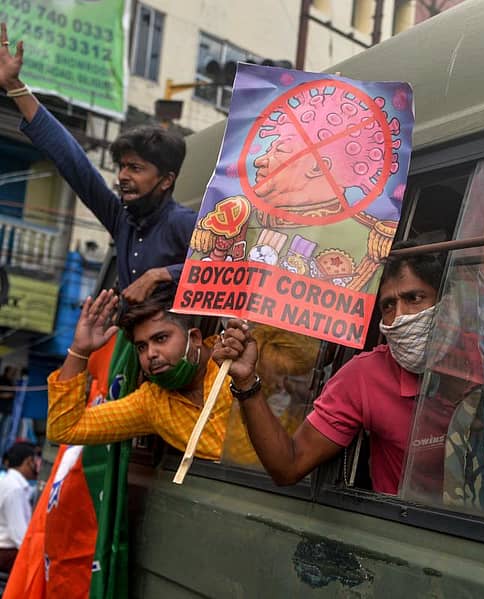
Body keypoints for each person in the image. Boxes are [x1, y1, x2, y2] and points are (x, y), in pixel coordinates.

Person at [215, 247, 443, 495]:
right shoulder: (365, 375)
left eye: (414, 299)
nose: (400, 317)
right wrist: (247, 382)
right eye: (388, 305)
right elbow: (288, 466)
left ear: (446, 301)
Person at [0, 23, 196, 303]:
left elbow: (224, 268)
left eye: (136, 168)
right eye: (123, 166)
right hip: (129, 341)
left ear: (166, 180)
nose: (123, 176)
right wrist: (14, 86)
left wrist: (160, 274)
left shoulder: (183, 223)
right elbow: (74, 163)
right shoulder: (122, 219)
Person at [46, 285, 230, 459]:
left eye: (161, 338)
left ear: (195, 338)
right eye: (141, 347)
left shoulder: (237, 363)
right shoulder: (153, 403)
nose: (150, 354)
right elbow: (64, 428)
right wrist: (80, 350)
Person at [0, 442, 39, 573]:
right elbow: (20, 536)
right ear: (29, 461)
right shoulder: (14, 489)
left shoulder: (7, 481)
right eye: (36, 461)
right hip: (6, 554)